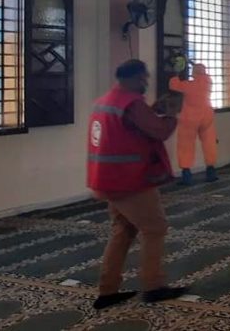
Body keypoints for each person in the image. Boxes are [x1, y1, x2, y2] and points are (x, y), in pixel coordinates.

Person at [87, 59, 187, 309]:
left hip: (108, 178)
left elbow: (132, 128)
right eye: (144, 78)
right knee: (155, 228)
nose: (146, 82)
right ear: (134, 78)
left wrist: (153, 110)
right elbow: (159, 131)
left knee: (123, 230)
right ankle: (154, 287)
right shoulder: (131, 103)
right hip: (130, 180)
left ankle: (108, 291)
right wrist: (171, 114)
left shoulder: (105, 101)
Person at [169, 63, 218, 185]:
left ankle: (186, 175)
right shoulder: (208, 82)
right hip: (207, 116)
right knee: (209, 143)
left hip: (190, 118)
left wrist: (176, 73)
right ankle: (211, 171)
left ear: (194, 73)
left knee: (186, 145)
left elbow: (173, 85)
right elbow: (201, 74)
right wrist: (192, 63)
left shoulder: (188, 85)